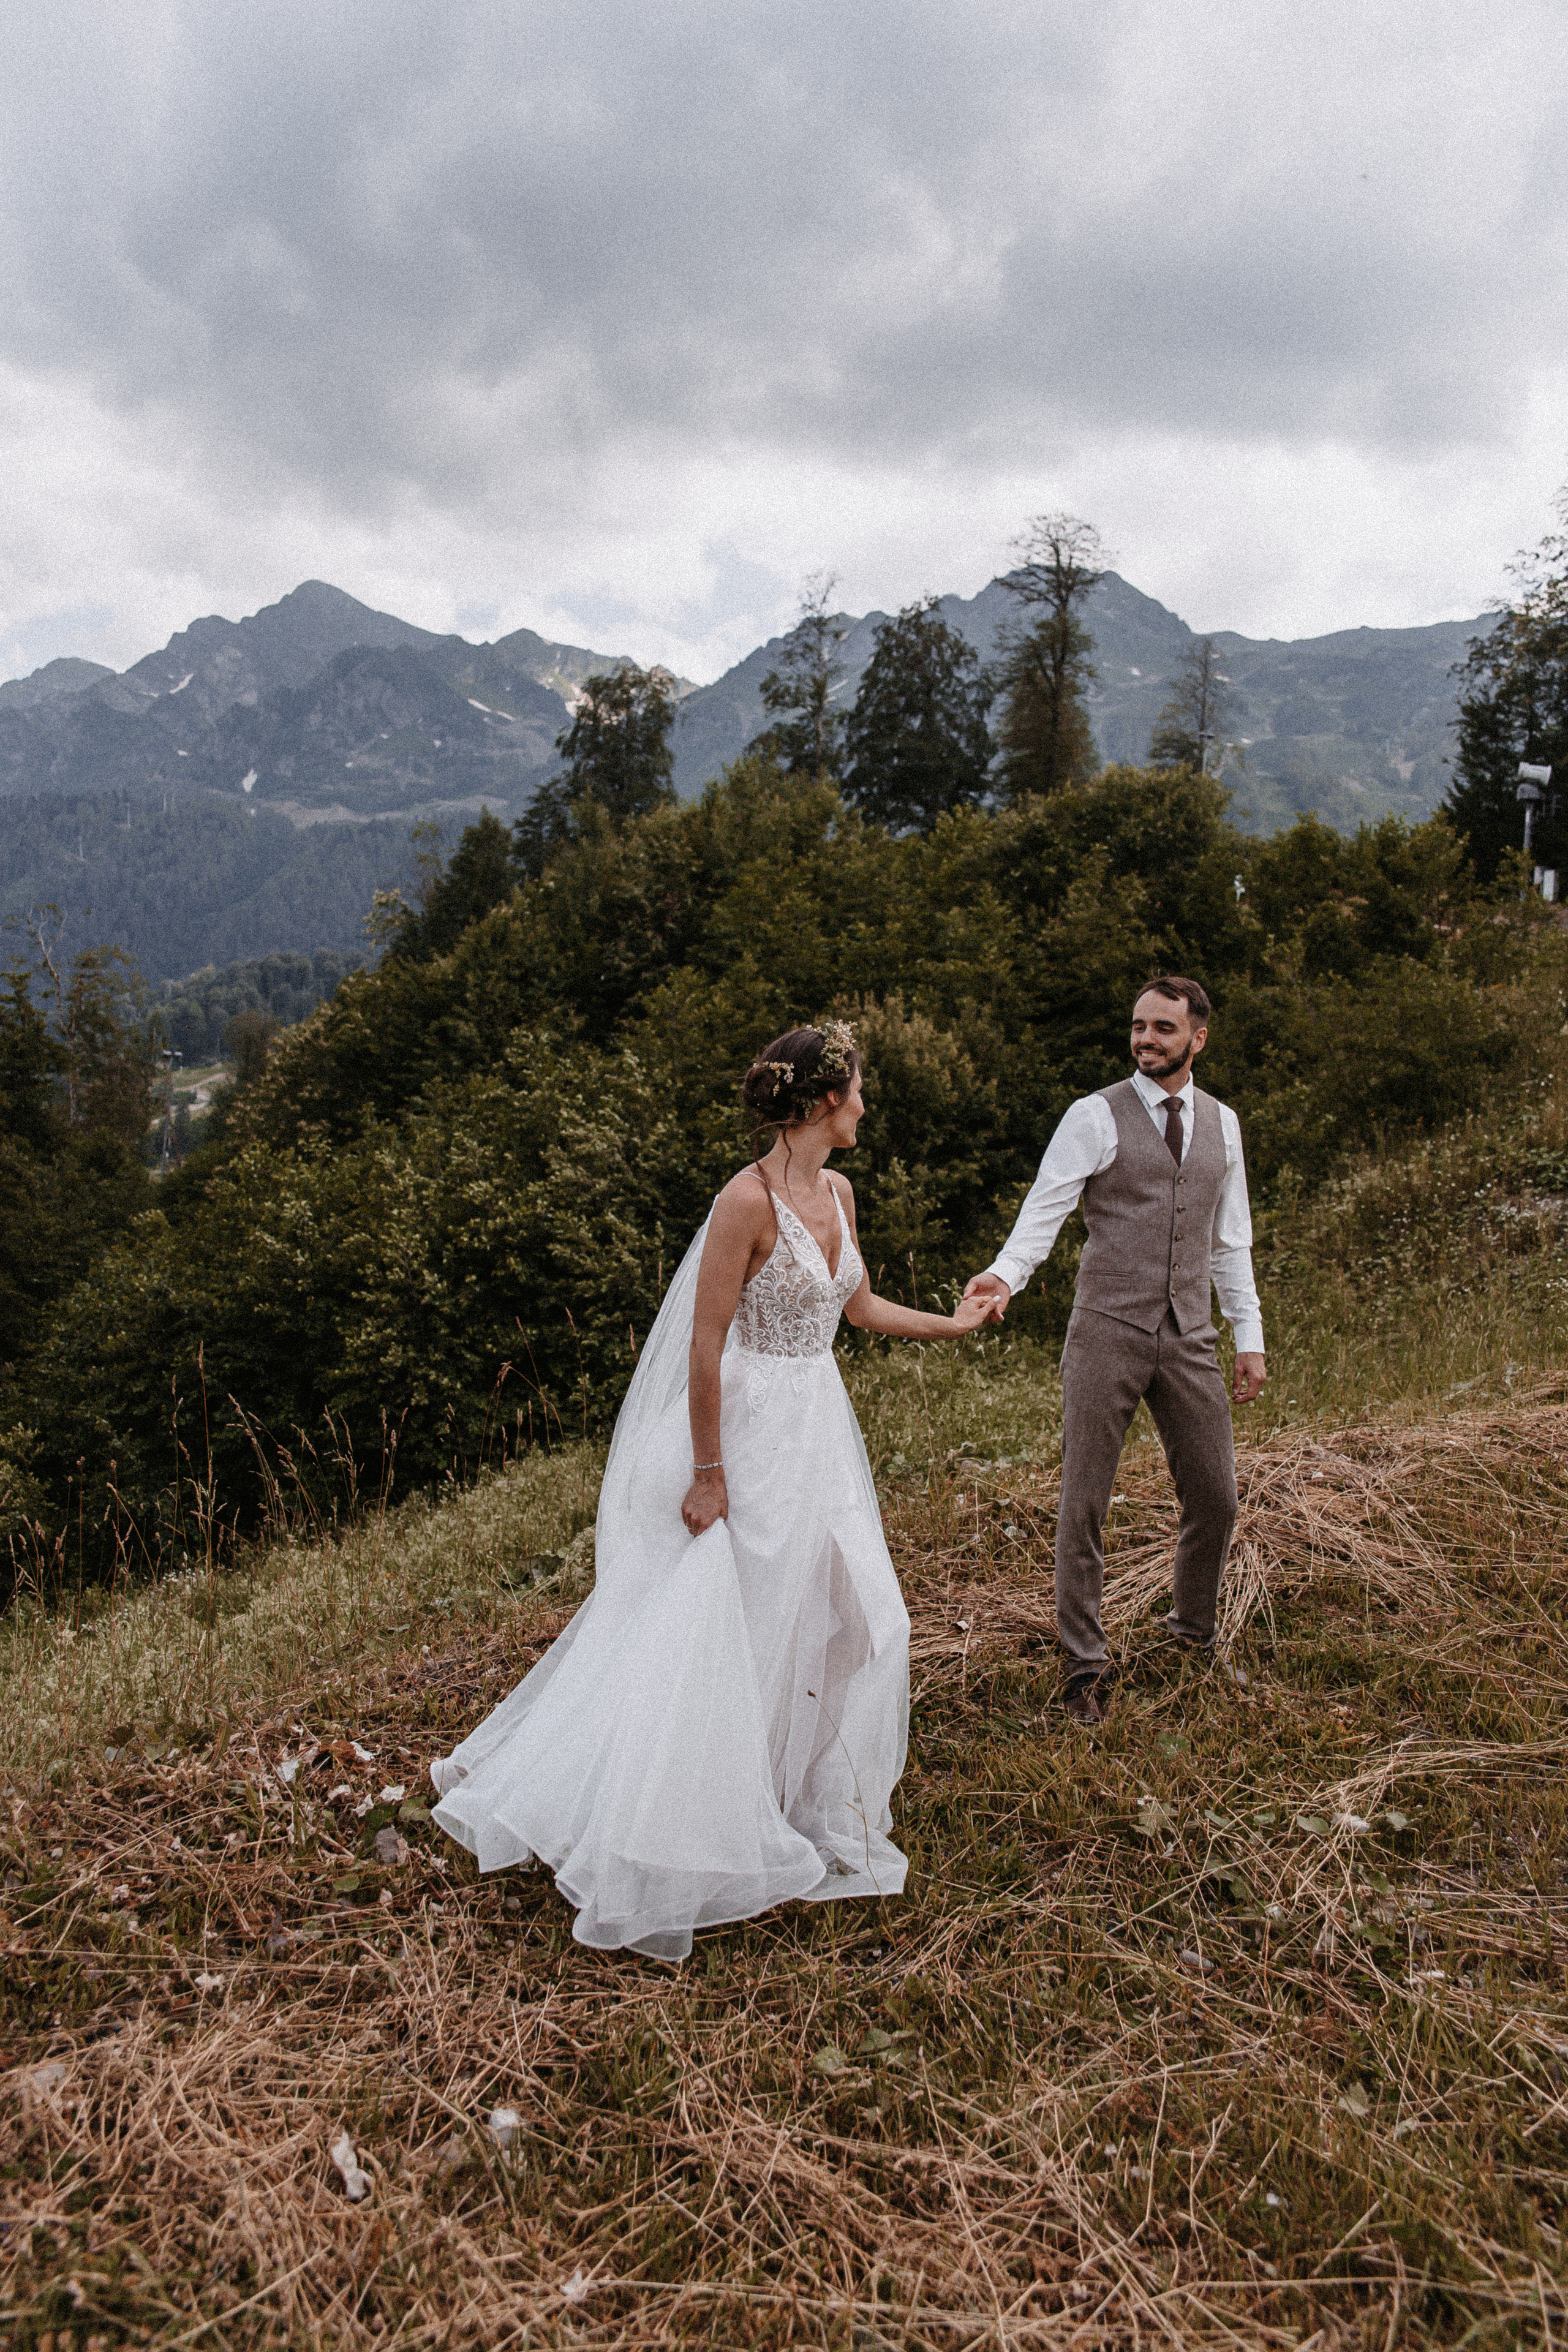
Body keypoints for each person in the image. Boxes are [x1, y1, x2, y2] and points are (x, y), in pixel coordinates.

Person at [430, 1020, 994, 1958]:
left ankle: (785, 1793)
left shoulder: (841, 1192)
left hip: (817, 1426)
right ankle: (692, 1822)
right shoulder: (745, 1202)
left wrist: (955, 1322)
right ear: (822, 1102)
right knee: (737, 1627)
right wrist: (707, 1473)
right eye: (855, 1088)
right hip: (746, 1431)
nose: (864, 1102)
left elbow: (856, 1308)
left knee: (858, 1616)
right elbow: (704, 1343)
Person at [963, 977, 1265, 1725]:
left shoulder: (1224, 1125)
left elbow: (1230, 1242)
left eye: (1163, 1029)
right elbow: (1046, 1207)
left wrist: (1247, 1336)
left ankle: (1191, 1637)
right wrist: (1004, 1276)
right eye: (1138, 1026)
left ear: (1197, 1038)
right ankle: (1083, 1667)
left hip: (1189, 1333)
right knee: (1084, 1501)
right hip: (1106, 1329)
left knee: (1216, 1495)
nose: (1145, 1040)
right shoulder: (1093, 1115)